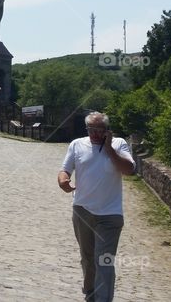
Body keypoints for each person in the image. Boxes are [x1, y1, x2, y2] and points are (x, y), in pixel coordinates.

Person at [57, 112, 135, 302]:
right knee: (87, 258)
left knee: (104, 261)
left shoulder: (119, 144)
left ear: (107, 130)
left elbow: (129, 170)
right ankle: (90, 293)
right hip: (82, 211)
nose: (95, 134)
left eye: (99, 130)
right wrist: (63, 181)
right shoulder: (77, 144)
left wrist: (109, 149)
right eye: (91, 130)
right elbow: (65, 169)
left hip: (110, 215)